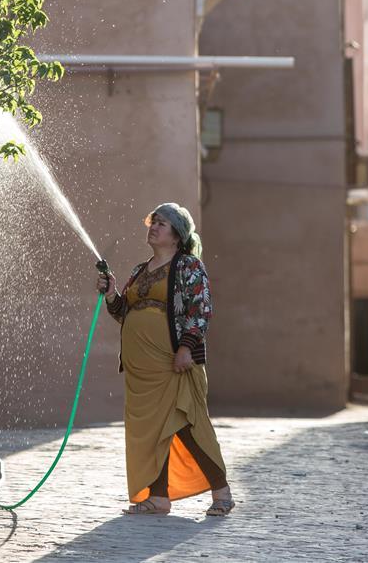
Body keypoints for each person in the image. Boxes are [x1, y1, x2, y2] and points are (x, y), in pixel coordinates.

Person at [98, 202, 234, 517]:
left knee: (187, 425)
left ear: (177, 235)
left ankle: (222, 492)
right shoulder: (138, 270)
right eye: (153, 222)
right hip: (140, 370)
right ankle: (157, 497)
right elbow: (124, 313)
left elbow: (200, 309)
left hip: (172, 362)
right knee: (147, 432)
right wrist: (111, 294)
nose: (154, 227)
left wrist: (186, 347)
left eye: (162, 223)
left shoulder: (188, 266)